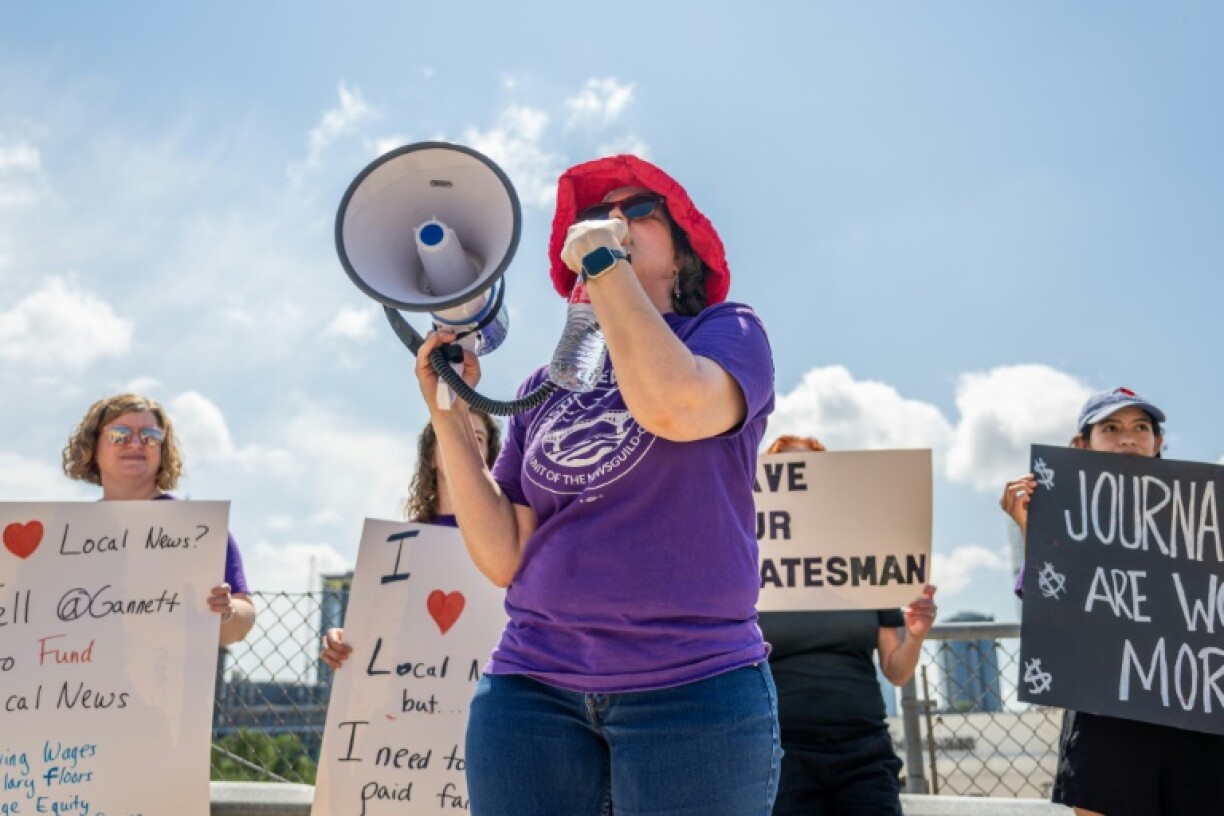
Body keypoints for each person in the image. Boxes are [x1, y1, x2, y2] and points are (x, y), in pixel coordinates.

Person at [409, 154, 780, 815]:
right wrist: (449, 410)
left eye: (638, 211)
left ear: (684, 254)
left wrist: (604, 265)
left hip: (692, 689)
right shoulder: (542, 390)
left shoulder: (729, 333)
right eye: (595, 219)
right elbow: (501, 554)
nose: (613, 222)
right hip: (532, 691)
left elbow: (671, 404)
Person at [1001, 386, 1224, 816]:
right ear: (1081, 445)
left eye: (1141, 427)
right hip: (1108, 717)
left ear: (1157, 444)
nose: (1128, 437)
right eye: (1111, 427)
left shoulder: (1204, 512)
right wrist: (1034, 529)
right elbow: (1046, 608)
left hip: (1198, 714)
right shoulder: (1065, 521)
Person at [758, 434, 937, 816]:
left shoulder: (867, 568)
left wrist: (916, 636)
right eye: (788, 470)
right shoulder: (754, 577)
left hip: (865, 751)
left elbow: (897, 672)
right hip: (783, 751)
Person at [62, 393, 255, 646]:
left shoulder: (198, 529)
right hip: (76, 677)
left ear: (162, 450)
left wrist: (227, 612)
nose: (135, 444)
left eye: (150, 437)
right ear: (93, 446)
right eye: (119, 434)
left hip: (168, 680)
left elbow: (242, 621)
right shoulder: (65, 534)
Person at [320, 409, 502, 669]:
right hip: (408, 692)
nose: (465, 445)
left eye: (478, 438)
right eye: (452, 434)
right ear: (431, 457)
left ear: (490, 459)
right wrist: (343, 641)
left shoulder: (507, 540)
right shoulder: (396, 545)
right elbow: (379, 624)